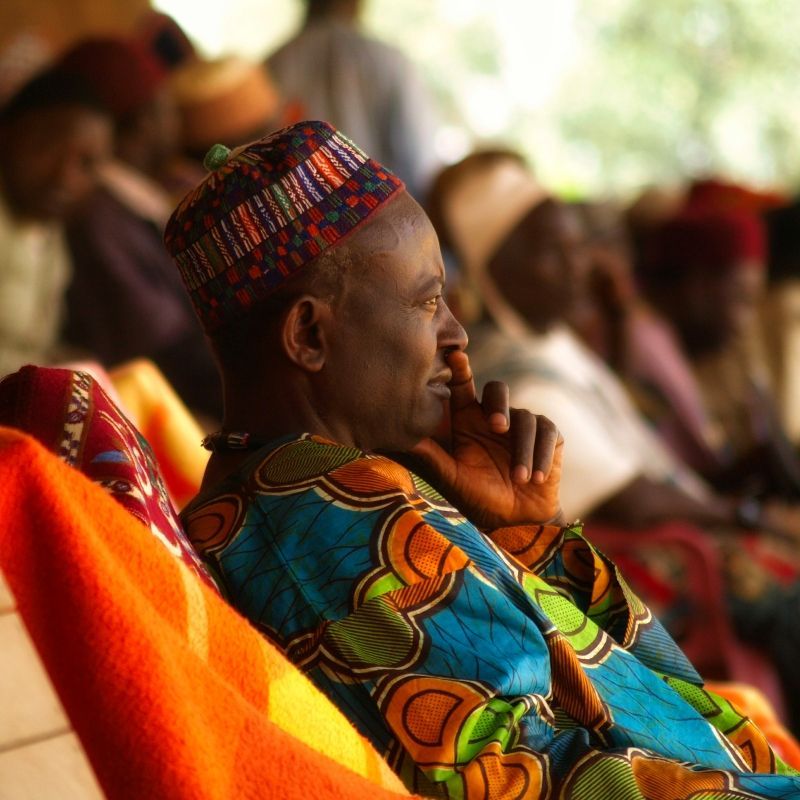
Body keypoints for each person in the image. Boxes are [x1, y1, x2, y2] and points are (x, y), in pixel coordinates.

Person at [163, 121, 800, 798]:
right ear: (310, 335)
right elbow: (541, 784)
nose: (457, 335)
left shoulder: (342, 491)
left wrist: (528, 533)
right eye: (427, 301)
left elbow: (625, 695)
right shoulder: (317, 544)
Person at [57, 37, 221, 420]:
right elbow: (165, 350)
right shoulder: (99, 219)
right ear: (145, 121)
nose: (177, 120)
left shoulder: (139, 199)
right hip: (170, 411)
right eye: (167, 105)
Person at [0, 64, 112, 378]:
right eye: (47, 148)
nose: (65, 177)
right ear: (7, 132)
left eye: (86, 164)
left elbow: (33, 346)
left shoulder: (50, 233)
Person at [267, 0, 440, 201]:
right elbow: (418, 158)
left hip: (303, 225)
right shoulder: (390, 61)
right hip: (388, 219)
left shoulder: (272, 68)